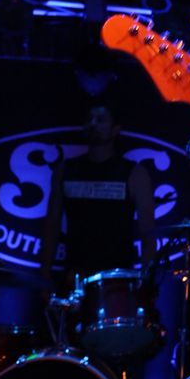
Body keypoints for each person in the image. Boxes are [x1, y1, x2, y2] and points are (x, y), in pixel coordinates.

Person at [41, 100, 155, 288]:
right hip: (74, 278)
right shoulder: (65, 170)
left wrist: (146, 282)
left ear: (116, 129)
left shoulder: (134, 174)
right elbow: (51, 226)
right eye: (89, 119)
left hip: (118, 281)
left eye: (100, 119)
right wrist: (44, 277)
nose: (93, 124)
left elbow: (148, 232)